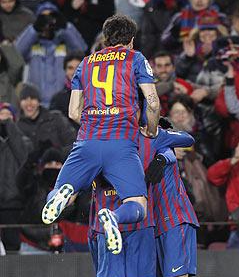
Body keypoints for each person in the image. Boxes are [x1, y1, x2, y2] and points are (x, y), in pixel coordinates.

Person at [42, 15, 160, 255]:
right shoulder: (135, 58)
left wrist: (96, 120)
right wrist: (152, 128)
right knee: (138, 204)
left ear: (106, 39)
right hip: (121, 146)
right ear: (132, 40)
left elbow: (74, 112)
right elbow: (153, 102)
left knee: (68, 191)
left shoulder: (85, 63)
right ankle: (114, 217)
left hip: (87, 141)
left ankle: (61, 195)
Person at [86, 125, 194, 277]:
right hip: (136, 224)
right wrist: (164, 151)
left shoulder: (94, 143)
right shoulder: (146, 139)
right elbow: (187, 138)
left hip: (101, 225)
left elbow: (79, 179)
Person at [150, 127, 233, 277]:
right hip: (153, 224)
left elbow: (185, 140)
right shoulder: (125, 141)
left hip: (175, 219)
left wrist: (162, 156)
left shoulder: (156, 135)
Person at [16, 1, 87, 107]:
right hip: (36, 104)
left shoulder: (65, 43)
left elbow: (81, 50)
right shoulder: (32, 45)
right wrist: (33, 29)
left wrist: (65, 26)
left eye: (51, 17)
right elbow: (16, 53)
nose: (47, 22)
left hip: (61, 103)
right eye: (43, 18)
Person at [0, 102, 31, 252]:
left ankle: (11, 275)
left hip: (13, 203)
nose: (4, 119)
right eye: (2, 115)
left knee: (12, 245)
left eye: (8, 116)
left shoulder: (23, 140)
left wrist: (10, 127)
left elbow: (23, 156)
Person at [17, 83, 77, 155]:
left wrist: (58, 153)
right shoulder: (17, 127)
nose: (29, 103)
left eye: (32, 98)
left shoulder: (56, 118)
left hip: (59, 164)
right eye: (25, 99)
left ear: (39, 102)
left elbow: (73, 142)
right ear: (20, 103)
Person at [152, 50, 193, 117]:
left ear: (173, 67)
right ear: (153, 68)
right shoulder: (146, 85)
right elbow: (150, 92)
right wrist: (172, 85)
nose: (163, 70)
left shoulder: (182, 84)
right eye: (159, 66)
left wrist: (184, 97)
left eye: (167, 65)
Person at [49, 50, 84, 125]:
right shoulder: (57, 99)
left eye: (78, 68)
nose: (74, 72)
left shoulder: (95, 95)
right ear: (65, 70)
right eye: (70, 68)